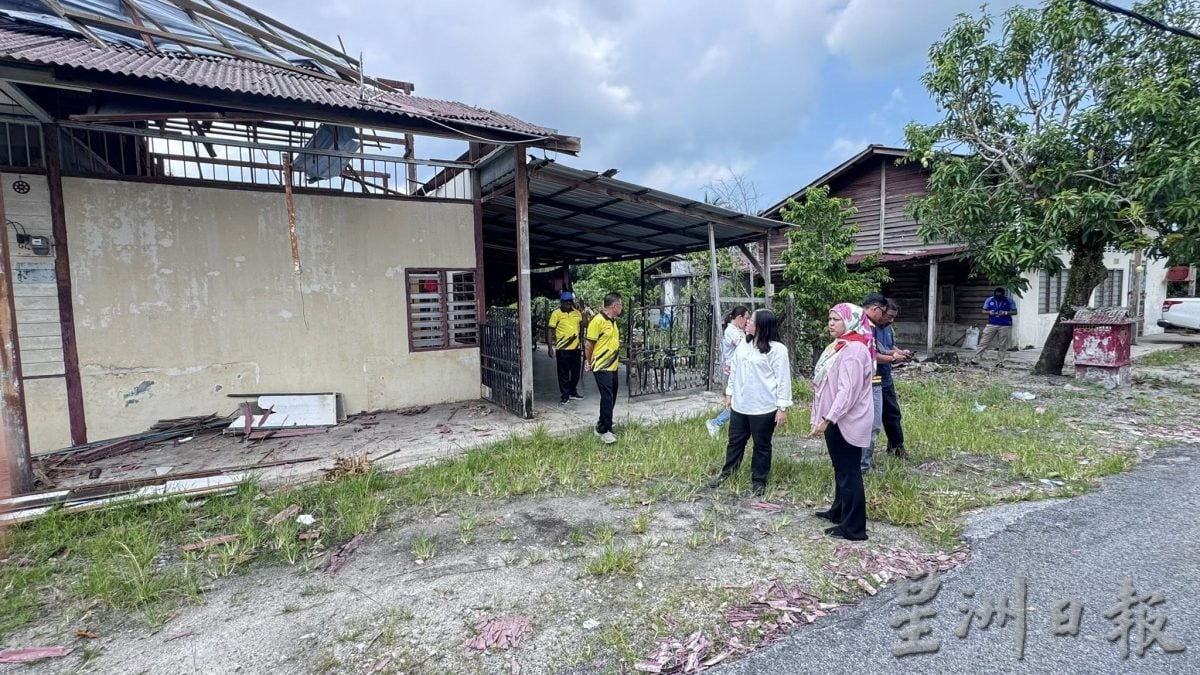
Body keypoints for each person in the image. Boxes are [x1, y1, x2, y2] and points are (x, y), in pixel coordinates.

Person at [706, 308, 793, 497]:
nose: (747, 322)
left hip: (763, 407)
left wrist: (782, 407)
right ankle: (727, 473)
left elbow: (783, 380)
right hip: (741, 405)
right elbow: (734, 369)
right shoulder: (744, 345)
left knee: (761, 445)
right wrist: (729, 393)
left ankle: (759, 480)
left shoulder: (777, 350)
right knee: (735, 442)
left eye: (751, 320)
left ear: (761, 325)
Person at [810, 303, 875, 541]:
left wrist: (829, 418)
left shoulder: (855, 350)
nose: (831, 323)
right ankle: (839, 511)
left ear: (851, 321)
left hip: (846, 420)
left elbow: (847, 392)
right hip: (835, 418)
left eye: (836, 319)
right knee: (840, 469)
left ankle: (854, 528)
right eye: (830, 318)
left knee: (849, 472)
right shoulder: (841, 345)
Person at [862, 296, 911, 471]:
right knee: (872, 422)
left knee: (893, 414)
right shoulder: (868, 328)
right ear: (879, 311)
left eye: (893, 317)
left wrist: (901, 352)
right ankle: (864, 462)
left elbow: (889, 348)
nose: (891, 320)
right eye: (888, 316)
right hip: (872, 380)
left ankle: (896, 445)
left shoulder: (887, 328)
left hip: (886, 378)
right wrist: (893, 358)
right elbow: (872, 355)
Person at [705, 306, 750, 438]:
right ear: (739, 317)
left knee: (740, 401)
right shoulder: (731, 331)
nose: (747, 321)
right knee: (737, 403)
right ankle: (716, 423)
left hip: (738, 370)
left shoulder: (738, 330)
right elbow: (744, 346)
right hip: (732, 372)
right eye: (746, 318)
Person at [585, 292, 623, 444]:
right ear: (614, 306)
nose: (621, 308)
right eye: (620, 305)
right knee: (607, 397)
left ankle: (604, 422)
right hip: (601, 366)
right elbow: (589, 344)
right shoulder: (597, 321)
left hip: (612, 366)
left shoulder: (613, 321)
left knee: (612, 395)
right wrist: (588, 362)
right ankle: (603, 430)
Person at [547, 291, 585, 405]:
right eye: (566, 301)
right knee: (563, 373)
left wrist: (582, 312)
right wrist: (550, 347)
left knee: (575, 372)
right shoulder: (556, 314)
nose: (569, 303)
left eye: (570, 301)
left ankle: (573, 392)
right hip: (562, 349)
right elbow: (550, 330)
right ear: (561, 302)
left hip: (575, 348)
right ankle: (565, 395)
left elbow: (583, 324)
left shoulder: (577, 313)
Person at [974, 287, 1017, 365]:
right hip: (991, 324)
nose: (998, 297)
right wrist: (990, 312)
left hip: (1005, 324)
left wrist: (1005, 313)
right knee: (984, 341)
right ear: (994, 294)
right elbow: (983, 311)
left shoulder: (1009, 300)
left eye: (999, 296)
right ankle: (976, 359)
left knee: (1002, 344)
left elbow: (1015, 312)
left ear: (1003, 295)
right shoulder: (989, 299)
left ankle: (1000, 362)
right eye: (996, 295)